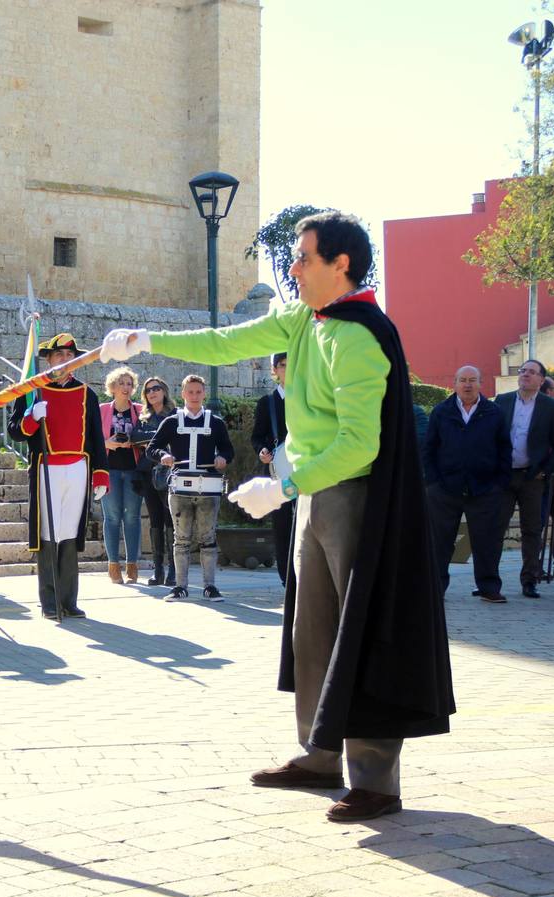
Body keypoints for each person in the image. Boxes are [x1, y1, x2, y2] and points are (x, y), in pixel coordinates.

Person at [100, 211, 453, 823]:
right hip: (314, 493)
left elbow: (361, 443)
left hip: (354, 499)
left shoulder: (359, 336)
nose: (291, 267)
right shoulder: (304, 319)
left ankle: (376, 780)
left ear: (341, 265)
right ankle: (319, 755)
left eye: (304, 258)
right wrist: (148, 339)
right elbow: (227, 342)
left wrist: (285, 485)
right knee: (310, 629)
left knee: (359, 630)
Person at [7, 333, 108, 620]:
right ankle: (49, 600)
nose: (65, 360)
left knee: (69, 533)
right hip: (46, 466)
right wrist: (31, 417)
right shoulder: (33, 391)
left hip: (77, 467)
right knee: (49, 533)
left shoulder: (87, 393)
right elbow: (15, 431)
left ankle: (69, 599)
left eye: (70, 355)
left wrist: (101, 475)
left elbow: (96, 439)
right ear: (48, 360)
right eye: (59, 356)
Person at [423, 365, 512, 603]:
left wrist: (499, 483)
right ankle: (436, 587)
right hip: (444, 489)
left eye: (472, 380)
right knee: (439, 542)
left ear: (480, 383)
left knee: (487, 542)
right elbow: (429, 448)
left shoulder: (494, 412)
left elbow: (505, 448)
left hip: (484, 488)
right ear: (454, 383)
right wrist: (432, 482)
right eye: (463, 380)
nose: (468, 385)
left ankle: (488, 587)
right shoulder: (441, 411)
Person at [146, 374, 233, 601]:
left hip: (209, 487)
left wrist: (223, 458)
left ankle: (210, 586)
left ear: (204, 394)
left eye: (198, 392)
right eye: (190, 392)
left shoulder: (216, 422)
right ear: (183, 394)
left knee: (208, 537)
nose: (194, 396)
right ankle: (180, 586)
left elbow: (228, 450)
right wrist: (163, 455)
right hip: (180, 488)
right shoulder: (172, 422)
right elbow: (152, 448)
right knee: (181, 538)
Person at [494, 359, 554, 598]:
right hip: (504, 476)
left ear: (541, 380)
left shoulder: (550, 407)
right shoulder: (502, 401)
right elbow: (491, 436)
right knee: (494, 528)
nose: (525, 375)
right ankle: (487, 580)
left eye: (531, 372)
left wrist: (546, 469)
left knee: (532, 530)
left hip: (532, 477)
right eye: (523, 371)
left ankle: (529, 580)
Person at [99, 366, 145, 585]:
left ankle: (132, 565)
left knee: (132, 517)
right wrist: (107, 443)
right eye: (121, 383)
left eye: (129, 384)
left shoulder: (139, 410)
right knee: (112, 517)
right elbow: (90, 439)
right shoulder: (102, 410)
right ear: (113, 387)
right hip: (109, 469)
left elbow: (149, 437)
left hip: (133, 469)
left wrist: (133, 442)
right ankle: (113, 565)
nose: (126, 388)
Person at [252, 352, 293, 588]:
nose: (287, 369)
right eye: (283, 365)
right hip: (278, 470)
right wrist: (263, 451)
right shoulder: (267, 403)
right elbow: (257, 436)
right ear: (275, 370)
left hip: (306, 469)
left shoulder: (307, 398)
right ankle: (287, 578)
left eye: (292, 365)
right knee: (282, 523)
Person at [133, 376, 177, 587]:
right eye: (148, 390)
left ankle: (173, 570)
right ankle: (158, 570)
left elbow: (174, 438)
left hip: (169, 474)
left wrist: (150, 440)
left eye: (157, 388)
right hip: (148, 474)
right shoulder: (143, 416)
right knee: (155, 521)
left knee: (171, 521)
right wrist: (159, 437)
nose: (153, 392)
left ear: (164, 391)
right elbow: (135, 437)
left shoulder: (175, 414)